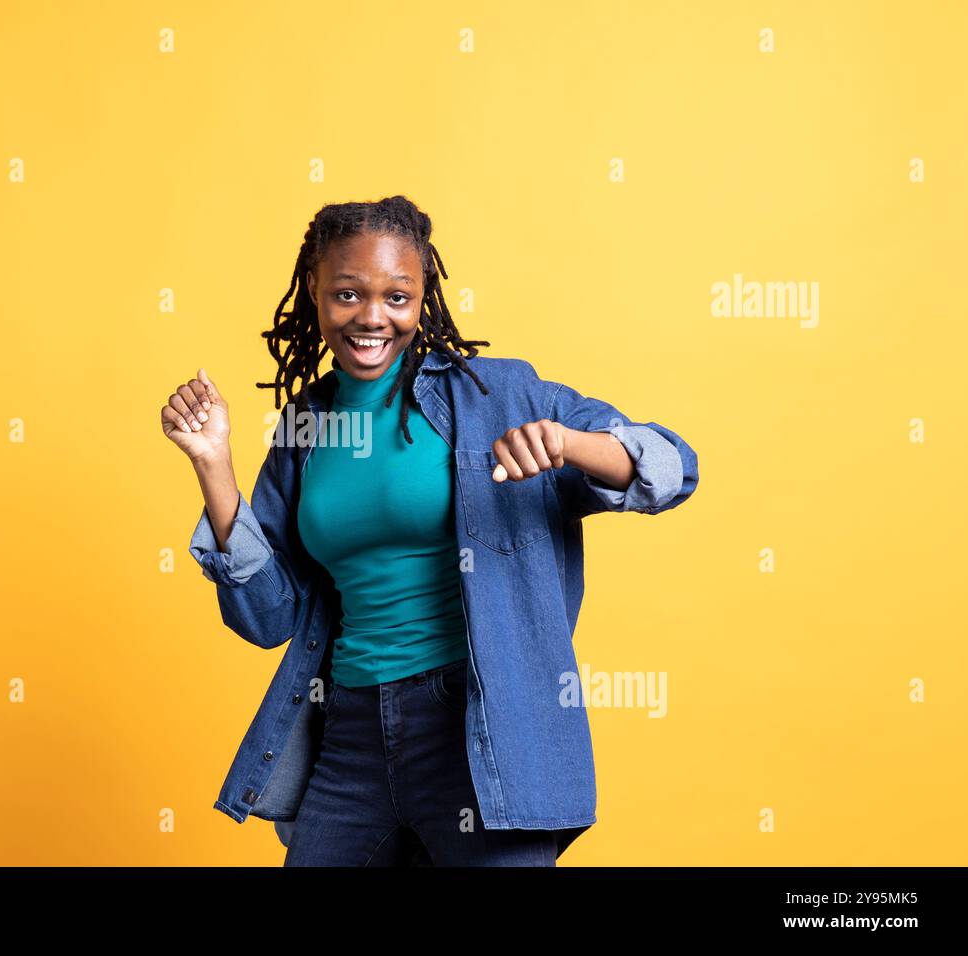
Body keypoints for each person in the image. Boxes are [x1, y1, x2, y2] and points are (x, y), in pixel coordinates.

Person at [161, 195, 699, 865]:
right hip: (350, 732)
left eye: (396, 296)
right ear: (315, 294)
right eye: (348, 294)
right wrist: (214, 466)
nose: (371, 317)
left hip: (479, 730)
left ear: (424, 297)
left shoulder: (497, 393)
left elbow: (671, 469)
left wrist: (567, 443)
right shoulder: (307, 428)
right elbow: (265, 619)